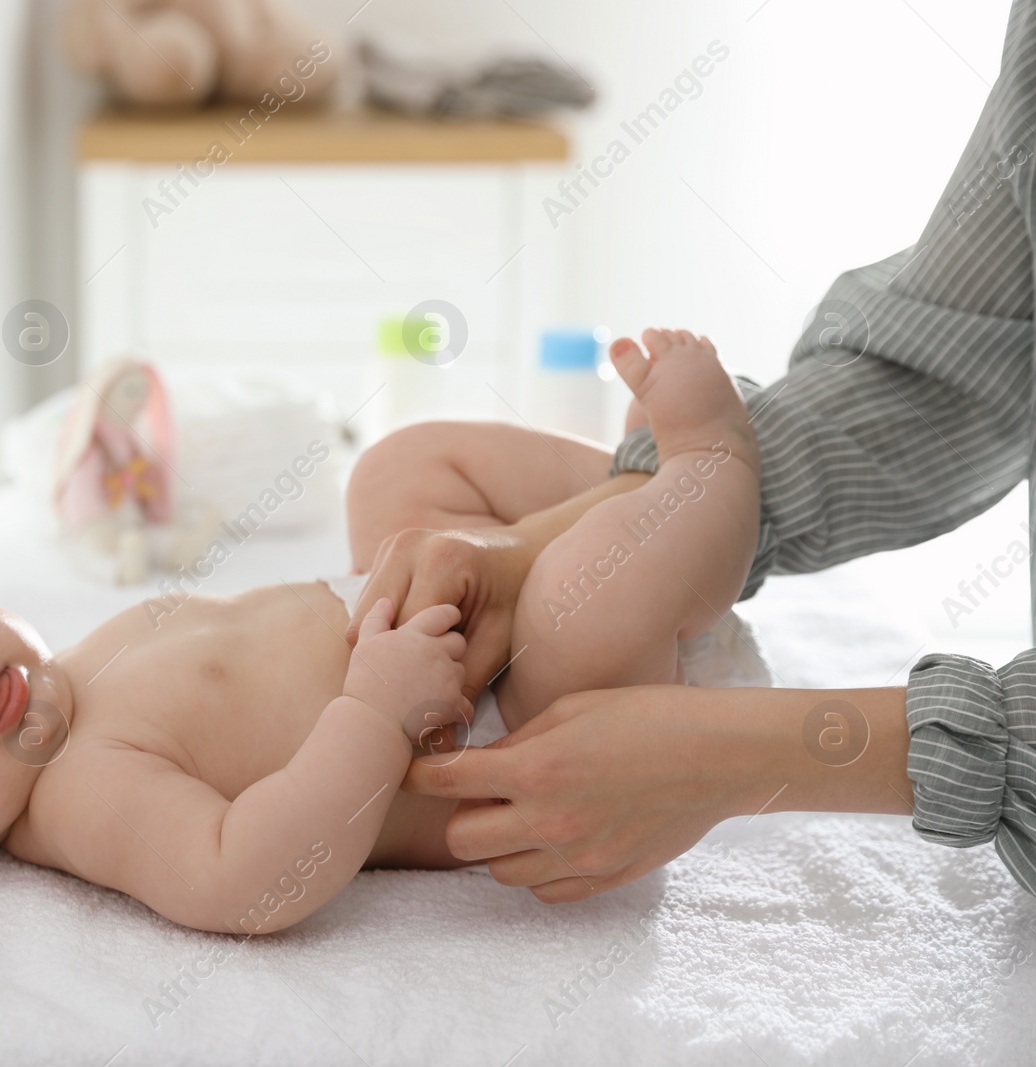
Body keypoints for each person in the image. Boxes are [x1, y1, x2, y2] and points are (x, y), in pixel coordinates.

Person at [0, 331, 762, 933]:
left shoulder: (77, 662)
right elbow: (247, 876)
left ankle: (630, 483)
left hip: (435, 596)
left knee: (399, 467)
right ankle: (715, 473)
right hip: (518, 716)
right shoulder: (82, 795)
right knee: (585, 589)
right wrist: (374, 711)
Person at [345, 0, 1036, 903]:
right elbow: (951, 363)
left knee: (572, 596)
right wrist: (519, 546)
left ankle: (697, 471)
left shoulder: (111, 771)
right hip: (482, 665)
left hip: (519, 715)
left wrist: (726, 750)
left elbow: (250, 873)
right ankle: (691, 485)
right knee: (395, 469)